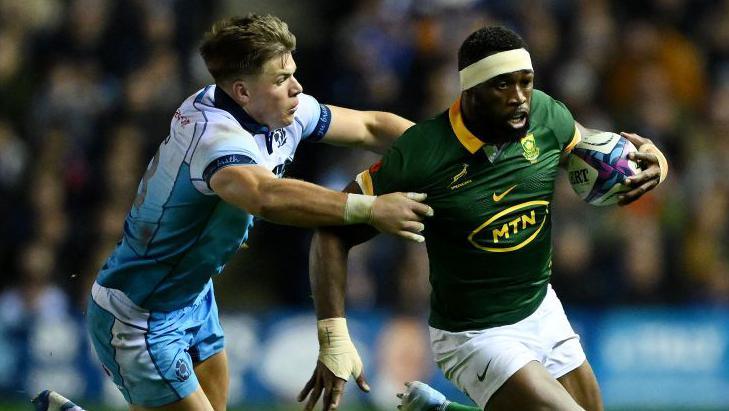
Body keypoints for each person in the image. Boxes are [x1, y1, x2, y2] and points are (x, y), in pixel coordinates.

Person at [298, 26, 668, 411]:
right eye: (503, 86)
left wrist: (657, 162)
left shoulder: (545, 115)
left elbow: (588, 141)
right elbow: (332, 230)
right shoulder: (421, 155)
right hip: (473, 334)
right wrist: (333, 336)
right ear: (470, 91)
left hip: (541, 308)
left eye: (526, 83)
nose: (520, 98)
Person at [85, 14, 434, 411]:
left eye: (293, 72)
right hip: (141, 314)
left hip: (193, 295)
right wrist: (370, 209)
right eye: (281, 79)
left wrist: (447, 153)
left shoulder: (281, 110)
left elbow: (372, 127)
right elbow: (265, 196)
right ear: (243, 92)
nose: (297, 88)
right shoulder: (213, 136)